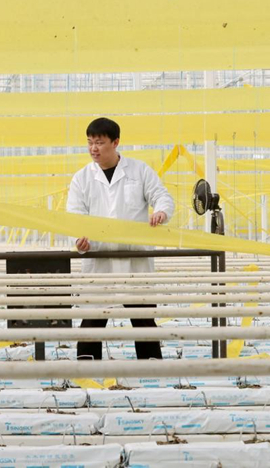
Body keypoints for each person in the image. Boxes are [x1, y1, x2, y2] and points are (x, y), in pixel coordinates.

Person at [66, 117, 175, 361]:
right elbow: (74, 215)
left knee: (144, 319)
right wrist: (79, 239)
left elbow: (162, 196)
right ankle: (86, 371)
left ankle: (151, 371)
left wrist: (161, 211)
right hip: (99, 259)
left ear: (115, 143)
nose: (94, 148)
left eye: (100, 142)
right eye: (90, 142)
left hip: (134, 259)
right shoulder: (81, 178)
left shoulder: (139, 170)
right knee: (92, 320)